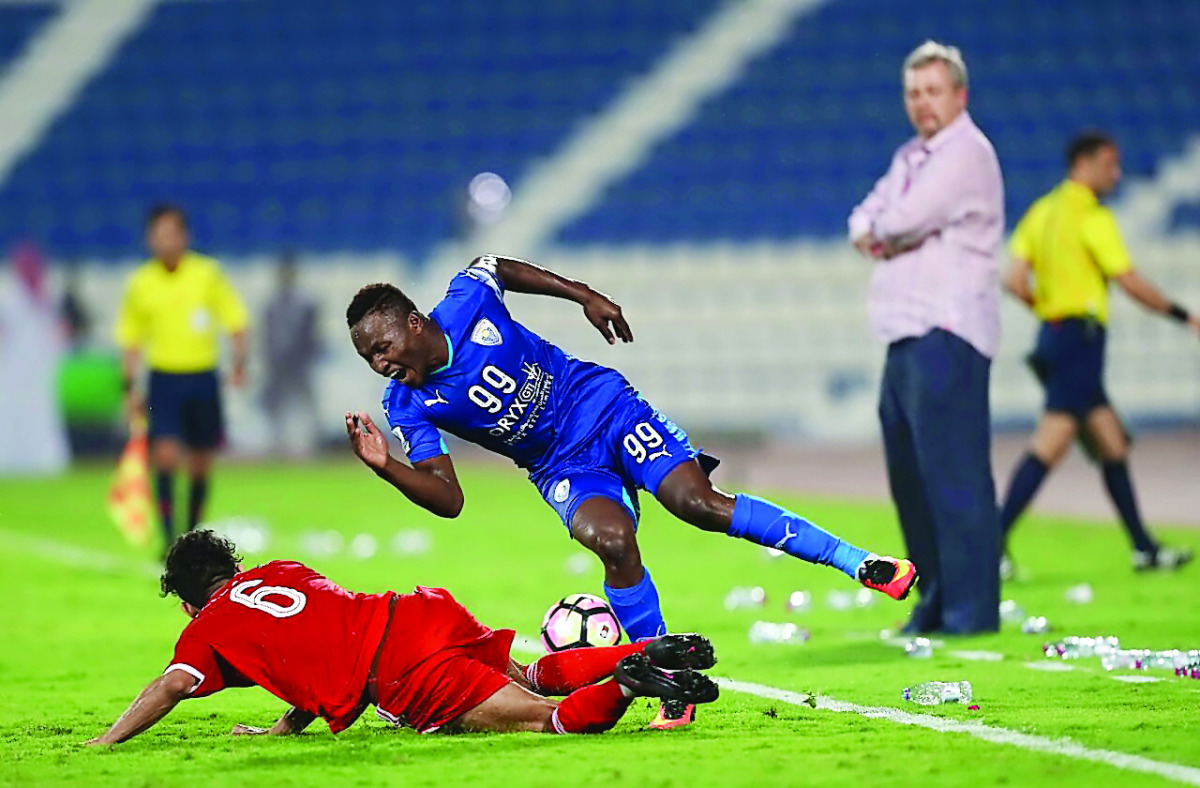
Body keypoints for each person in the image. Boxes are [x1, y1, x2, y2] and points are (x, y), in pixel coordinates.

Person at [343, 254, 917, 729]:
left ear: (414, 323)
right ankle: (670, 676)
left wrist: (583, 294)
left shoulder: (467, 302)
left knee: (698, 505)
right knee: (609, 539)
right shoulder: (407, 405)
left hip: (604, 407)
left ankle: (861, 562)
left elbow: (495, 266)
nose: (380, 362)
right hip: (560, 464)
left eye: (383, 345)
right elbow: (450, 499)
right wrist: (385, 466)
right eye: (369, 357)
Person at [86, 530, 720, 745]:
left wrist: (108, 739)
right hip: (420, 611)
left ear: (192, 600)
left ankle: (629, 682)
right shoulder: (281, 573)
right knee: (526, 674)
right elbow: (316, 642)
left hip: (401, 671)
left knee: (546, 721)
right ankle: (642, 649)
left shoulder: (208, 628)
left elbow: (172, 685)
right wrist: (282, 730)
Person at [847, 41, 1004, 634]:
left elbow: (898, 220)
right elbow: (862, 220)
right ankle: (935, 599)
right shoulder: (911, 156)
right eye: (914, 92)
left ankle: (972, 609)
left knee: (955, 476)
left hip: (949, 331)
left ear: (959, 95)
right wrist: (885, 230)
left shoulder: (967, 153)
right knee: (911, 476)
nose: (922, 103)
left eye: (933, 90)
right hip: (905, 335)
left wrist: (886, 232)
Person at [999, 130, 1199, 573]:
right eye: (1110, 164)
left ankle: (1144, 547)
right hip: (1080, 341)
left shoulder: (1043, 212)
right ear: (1084, 164)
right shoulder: (1091, 216)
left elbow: (1013, 279)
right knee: (1051, 443)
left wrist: (1048, 310)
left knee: (1111, 443)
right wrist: (1183, 315)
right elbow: (1127, 280)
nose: (1117, 174)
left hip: (1055, 338)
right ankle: (989, 543)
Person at [116, 204, 249, 551]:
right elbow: (131, 339)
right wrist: (129, 386)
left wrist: (239, 363)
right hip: (164, 380)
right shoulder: (141, 283)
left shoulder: (207, 274)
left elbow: (235, 320)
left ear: (184, 236)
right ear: (150, 239)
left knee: (201, 462)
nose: (166, 240)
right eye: (159, 234)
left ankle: (190, 533)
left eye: (172, 233)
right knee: (163, 455)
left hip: (203, 376)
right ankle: (168, 536)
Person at [0, 243, 71, 475]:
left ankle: (43, 459)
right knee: (10, 413)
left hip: (40, 367)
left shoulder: (48, 295)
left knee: (42, 413)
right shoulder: (7, 296)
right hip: (11, 367)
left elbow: (56, 332)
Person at [261, 252, 321, 458]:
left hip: (299, 365)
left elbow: (312, 336)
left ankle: (310, 445)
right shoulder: (272, 305)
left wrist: (302, 358)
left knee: (305, 404)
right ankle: (279, 444)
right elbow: (267, 336)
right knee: (277, 406)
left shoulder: (306, 305)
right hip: (278, 366)